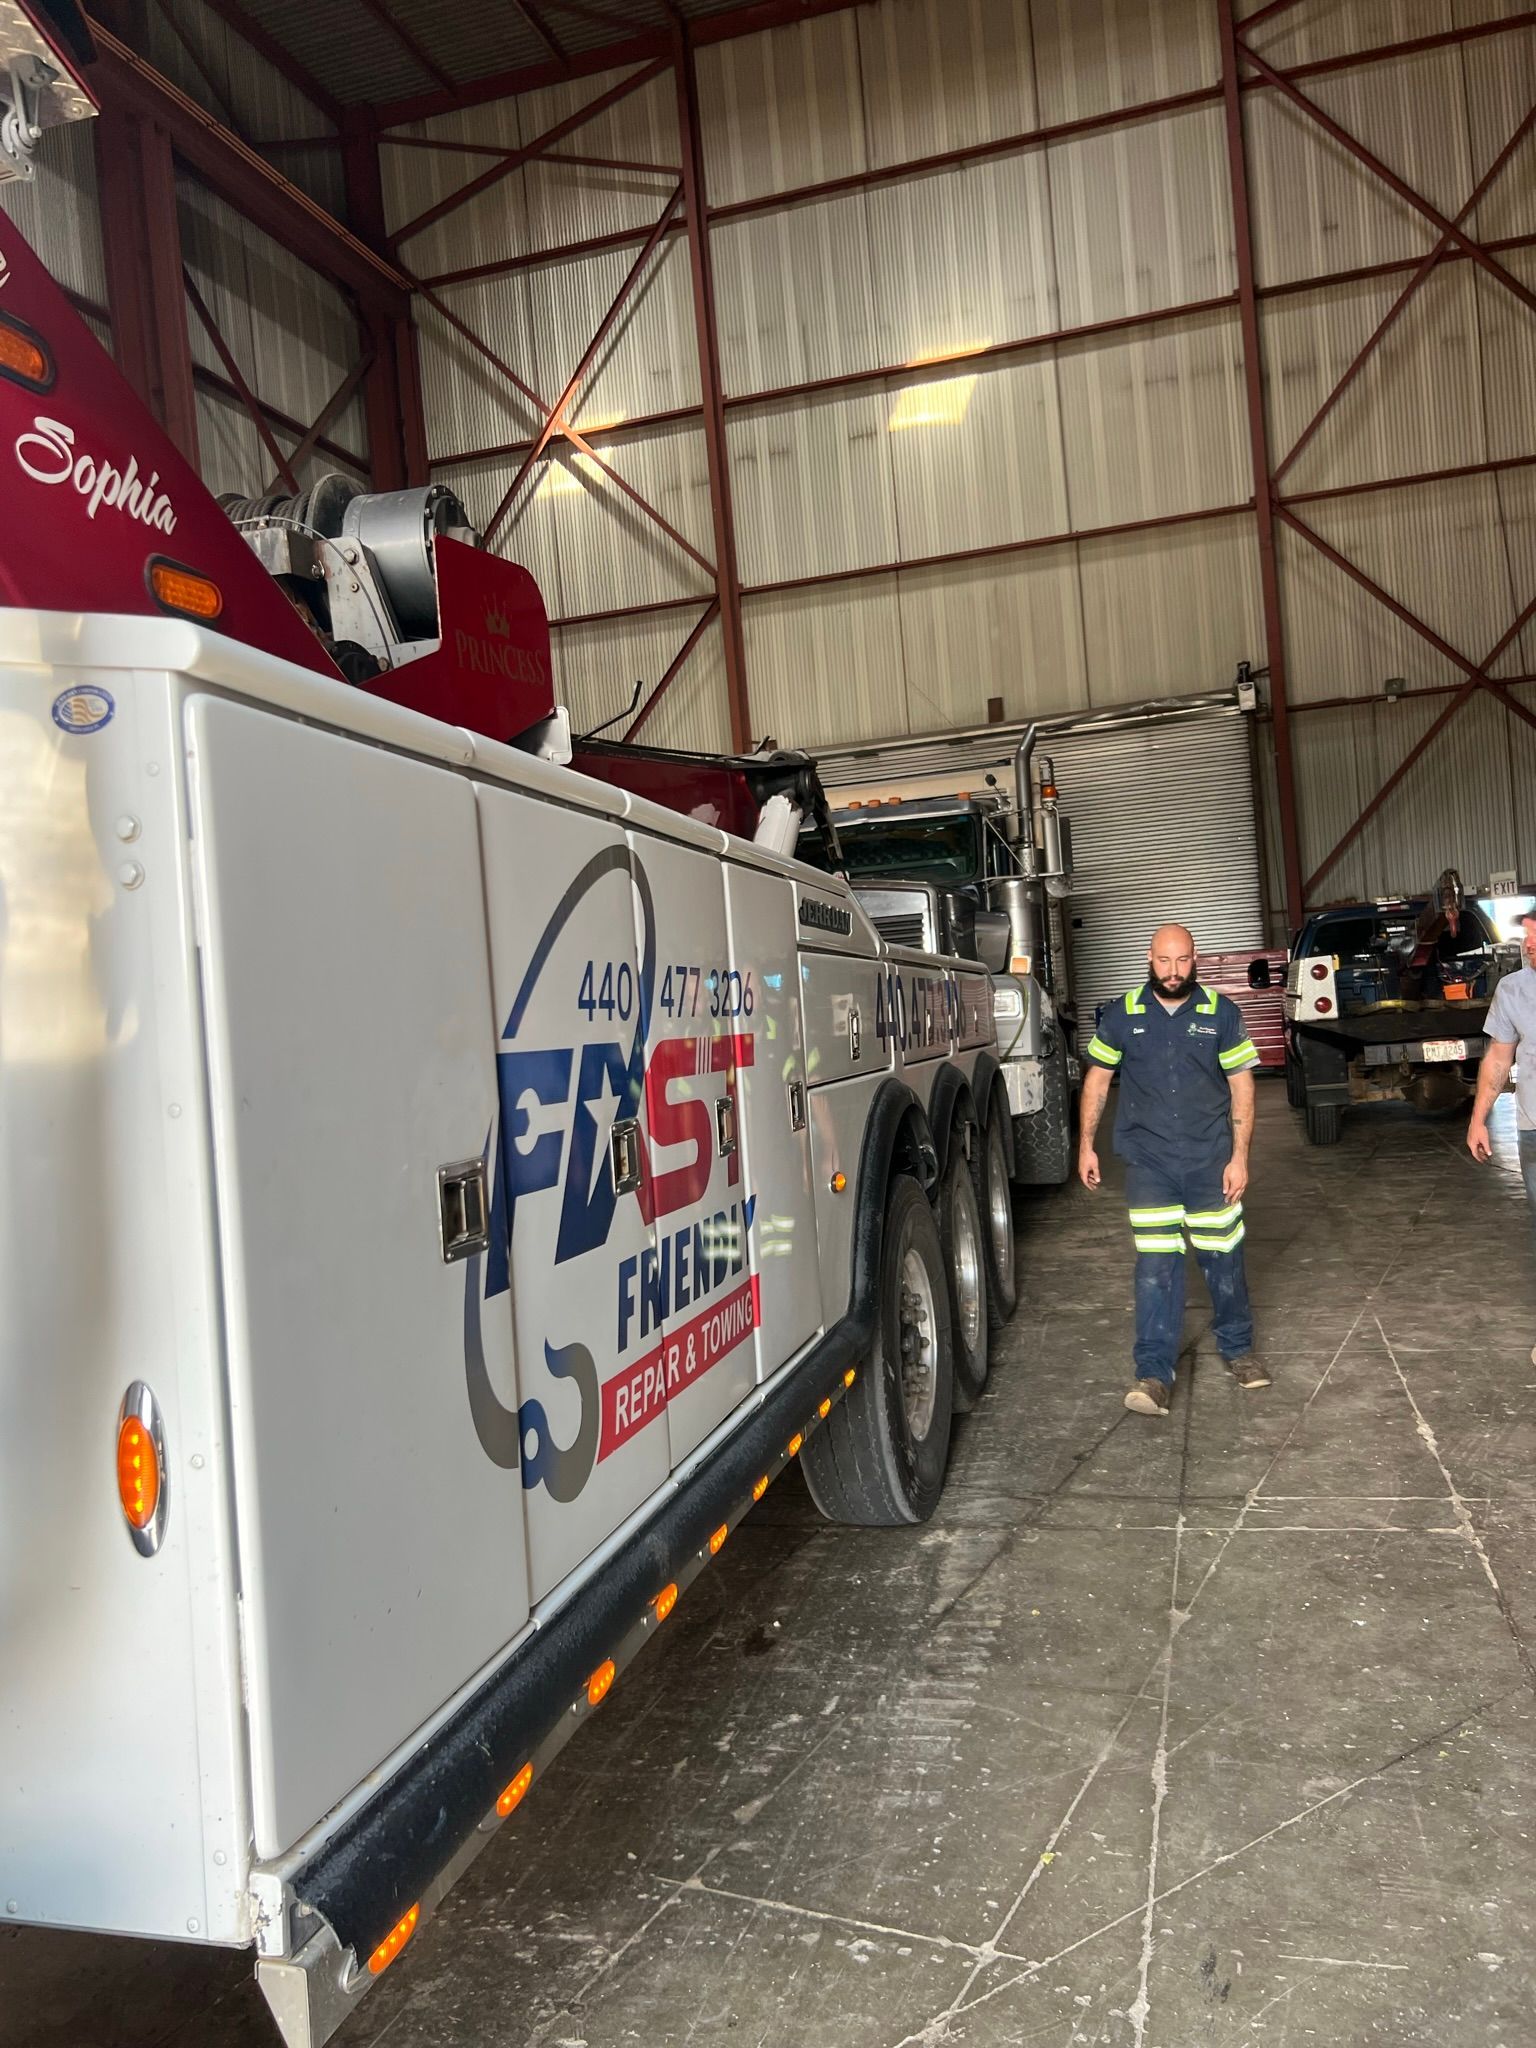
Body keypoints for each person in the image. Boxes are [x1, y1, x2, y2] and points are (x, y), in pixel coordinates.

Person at [1077, 923, 1267, 1416]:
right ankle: (1154, 1374)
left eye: (1182, 960)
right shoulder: (1123, 1014)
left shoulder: (1220, 1013)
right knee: (1156, 1269)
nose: (1174, 971)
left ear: (1194, 958)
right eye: (1164, 960)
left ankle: (1239, 1350)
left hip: (1210, 1160)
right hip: (1149, 1164)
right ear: (1149, 958)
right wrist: (1085, 1146)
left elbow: (1242, 1085)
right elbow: (1097, 1081)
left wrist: (1240, 1156)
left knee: (1223, 1258)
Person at [1467, 906, 1536, 1300]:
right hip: (1533, 1129)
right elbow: (1498, 1057)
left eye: (1535, 936)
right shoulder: (1513, 989)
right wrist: (1479, 1119)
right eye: (1526, 936)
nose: (1528, 944)